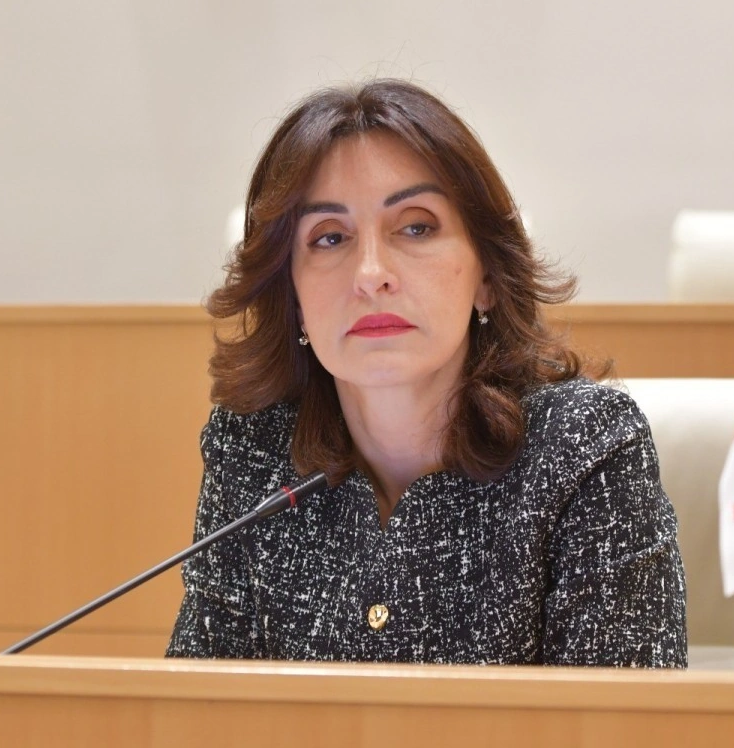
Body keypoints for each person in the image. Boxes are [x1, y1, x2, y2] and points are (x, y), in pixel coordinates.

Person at [165, 79, 686, 667]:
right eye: (329, 237)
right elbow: (198, 704)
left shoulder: (581, 449)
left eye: (416, 227)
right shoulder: (253, 449)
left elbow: (620, 712)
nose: (371, 274)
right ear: (293, 297)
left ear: (487, 276)